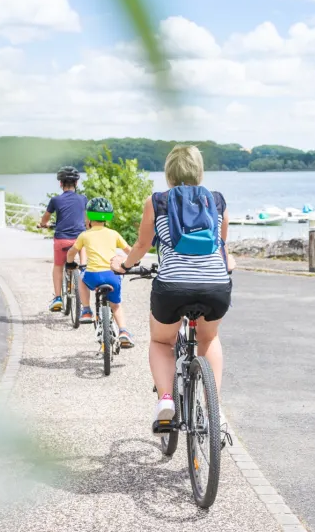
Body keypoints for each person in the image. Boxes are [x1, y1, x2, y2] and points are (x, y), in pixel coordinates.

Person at [110, 145, 231, 431]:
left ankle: (166, 399)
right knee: (209, 339)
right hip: (216, 285)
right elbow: (222, 246)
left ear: (168, 174)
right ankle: (214, 409)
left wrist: (124, 266)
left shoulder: (157, 201)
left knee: (162, 342)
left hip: (173, 286)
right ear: (199, 172)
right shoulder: (217, 201)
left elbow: (141, 246)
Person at [66, 197, 135, 349]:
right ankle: (123, 331)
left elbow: (72, 251)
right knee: (116, 305)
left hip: (93, 275)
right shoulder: (114, 234)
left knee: (82, 282)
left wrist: (70, 262)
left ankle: (86, 310)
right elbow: (130, 251)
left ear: (89, 217)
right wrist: (132, 262)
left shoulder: (85, 235)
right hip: (112, 275)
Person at [39, 166, 87, 313]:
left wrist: (43, 225)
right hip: (79, 240)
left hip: (62, 240)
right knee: (83, 242)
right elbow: (86, 220)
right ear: (76, 183)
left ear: (60, 184)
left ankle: (58, 298)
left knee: (58, 266)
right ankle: (84, 268)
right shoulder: (83, 199)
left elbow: (45, 218)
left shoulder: (55, 200)